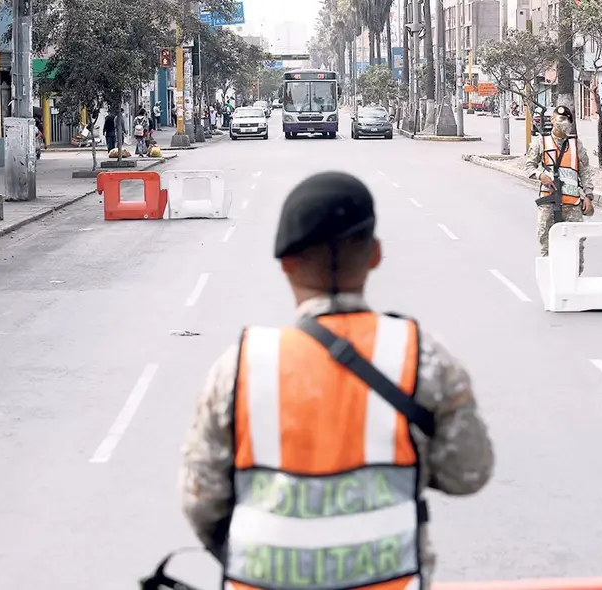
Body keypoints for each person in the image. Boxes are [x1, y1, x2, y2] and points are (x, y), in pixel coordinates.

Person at [179, 171, 495, 590]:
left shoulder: (240, 367)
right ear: (375, 255)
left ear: (285, 264)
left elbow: (201, 502)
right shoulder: (423, 358)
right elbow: (469, 472)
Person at [524, 105, 594, 271]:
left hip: (572, 203)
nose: (563, 123)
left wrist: (588, 196)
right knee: (545, 238)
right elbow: (529, 166)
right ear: (552, 120)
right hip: (549, 201)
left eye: (567, 120)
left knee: (577, 241)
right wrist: (540, 175)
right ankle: (549, 273)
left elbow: (585, 171)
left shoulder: (576, 145)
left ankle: (575, 274)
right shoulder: (541, 142)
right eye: (560, 119)